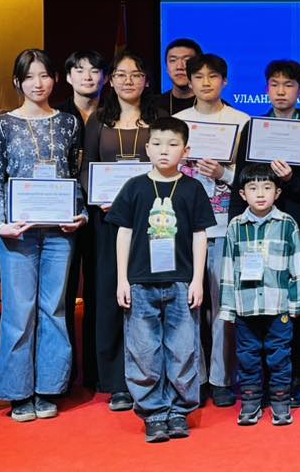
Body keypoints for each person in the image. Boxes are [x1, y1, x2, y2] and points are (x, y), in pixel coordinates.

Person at [0, 49, 87, 423]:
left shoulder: (68, 123)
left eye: (44, 75)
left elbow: (74, 176)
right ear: (18, 82)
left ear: (55, 79)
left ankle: (48, 388)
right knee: (18, 311)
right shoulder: (2, 125)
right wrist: (0, 224)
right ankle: (18, 392)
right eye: (29, 77)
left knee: (54, 309)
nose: (38, 83)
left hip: (60, 232)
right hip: (18, 233)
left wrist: (80, 213)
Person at [227, 59, 300, 408]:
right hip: (255, 235)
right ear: (266, 89)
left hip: (299, 232)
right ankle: (258, 383)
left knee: (296, 312)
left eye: (289, 85)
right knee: (256, 309)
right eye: (275, 84)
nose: (281, 91)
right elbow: (241, 182)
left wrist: (291, 181)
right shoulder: (255, 128)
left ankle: (293, 382)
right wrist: (237, 226)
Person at [107, 116, 214, 443]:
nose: (164, 151)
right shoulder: (135, 186)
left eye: (172, 144)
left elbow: (200, 235)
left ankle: (179, 411)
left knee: (183, 349)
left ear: (186, 150)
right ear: (147, 147)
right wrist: (122, 279)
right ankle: (153, 413)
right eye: (157, 144)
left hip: (181, 281)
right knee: (144, 350)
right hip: (141, 282)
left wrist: (197, 280)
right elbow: (124, 233)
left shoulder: (193, 188)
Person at [83, 52, 160, 411]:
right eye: (121, 74)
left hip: (153, 223)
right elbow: (86, 167)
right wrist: (99, 198)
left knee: (148, 298)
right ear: (110, 81)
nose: (129, 81)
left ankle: (149, 374)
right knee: (112, 297)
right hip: (108, 223)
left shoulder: (159, 121)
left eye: (136, 74)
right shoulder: (98, 121)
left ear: (147, 81)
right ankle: (116, 381)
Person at [174, 53, 250, 408]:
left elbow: (252, 179)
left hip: (225, 226)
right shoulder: (176, 123)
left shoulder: (242, 122)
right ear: (189, 82)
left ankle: (221, 378)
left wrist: (224, 174)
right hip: (183, 230)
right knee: (186, 306)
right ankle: (194, 377)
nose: (206, 83)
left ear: (225, 81)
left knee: (223, 308)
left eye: (213, 76)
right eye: (199, 76)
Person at [219, 163, 300, 427]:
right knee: (247, 356)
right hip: (245, 306)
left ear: (277, 193)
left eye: (267, 187)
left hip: (277, 305)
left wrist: (296, 304)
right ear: (242, 194)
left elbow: (297, 265)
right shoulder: (235, 225)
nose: (260, 194)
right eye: (253, 188)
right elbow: (228, 268)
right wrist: (228, 307)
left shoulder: (287, 223)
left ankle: (280, 402)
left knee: (279, 355)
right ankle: (250, 402)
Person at [57, 49, 106, 390]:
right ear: (67, 76)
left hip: (105, 215)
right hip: (64, 215)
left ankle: (97, 372)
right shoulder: (57, 116)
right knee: (62, 295)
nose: (87, 76)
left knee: (101, 293)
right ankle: (63, 376)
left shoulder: (114, 115)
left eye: (95, 70)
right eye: (79, 69)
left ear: (105, 77)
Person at [160, 38, 203, 116]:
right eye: (173, 60)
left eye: (187, 60)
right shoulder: (153, 107)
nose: (179, 67)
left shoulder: (214, 106)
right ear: (166, 67)